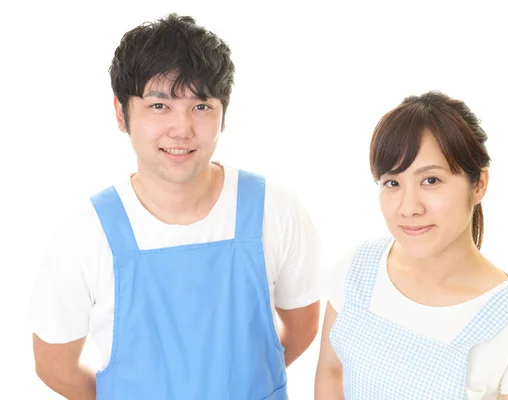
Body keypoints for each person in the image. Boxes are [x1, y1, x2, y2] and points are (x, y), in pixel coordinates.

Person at [28, 13, 321, 399]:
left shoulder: (276, 210)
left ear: (223, 113)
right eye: (159, 106)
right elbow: (54, 365)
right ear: (121, 113)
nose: (181, 129)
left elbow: (302, 326)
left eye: (200, 106)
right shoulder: (86, 232)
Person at [315, 91, 508, 399]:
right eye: (392, 182)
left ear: (479, 184)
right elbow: (332, 372)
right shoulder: (357, 269)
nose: (409, 207)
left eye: (430, 180)